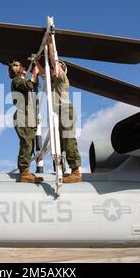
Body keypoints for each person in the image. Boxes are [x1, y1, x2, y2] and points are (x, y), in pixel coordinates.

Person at [42, 42, 82, 183]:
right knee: (57, 143)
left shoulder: (61, 78)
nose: (53, 67)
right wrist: (36, 62)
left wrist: (51, 46)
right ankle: (60, 170)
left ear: (62, 68)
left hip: (65, 111)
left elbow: (55, 62)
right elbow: (43, 73)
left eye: (56, 65)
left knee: (69, 140)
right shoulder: (52, 82)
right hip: (56, 114)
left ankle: (75, 171)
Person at [9, 60, 43, 183]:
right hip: (23, 116)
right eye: (19, 65)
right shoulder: (17, 81)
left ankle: (26, 171)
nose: (23, 66)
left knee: (30, 144)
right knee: (27, 142)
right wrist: (34, 74)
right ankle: (24, 173)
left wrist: (36, 73)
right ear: (13, 69)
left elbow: (33, 88)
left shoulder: (23, 81)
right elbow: (28, 86)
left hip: (29, 116)